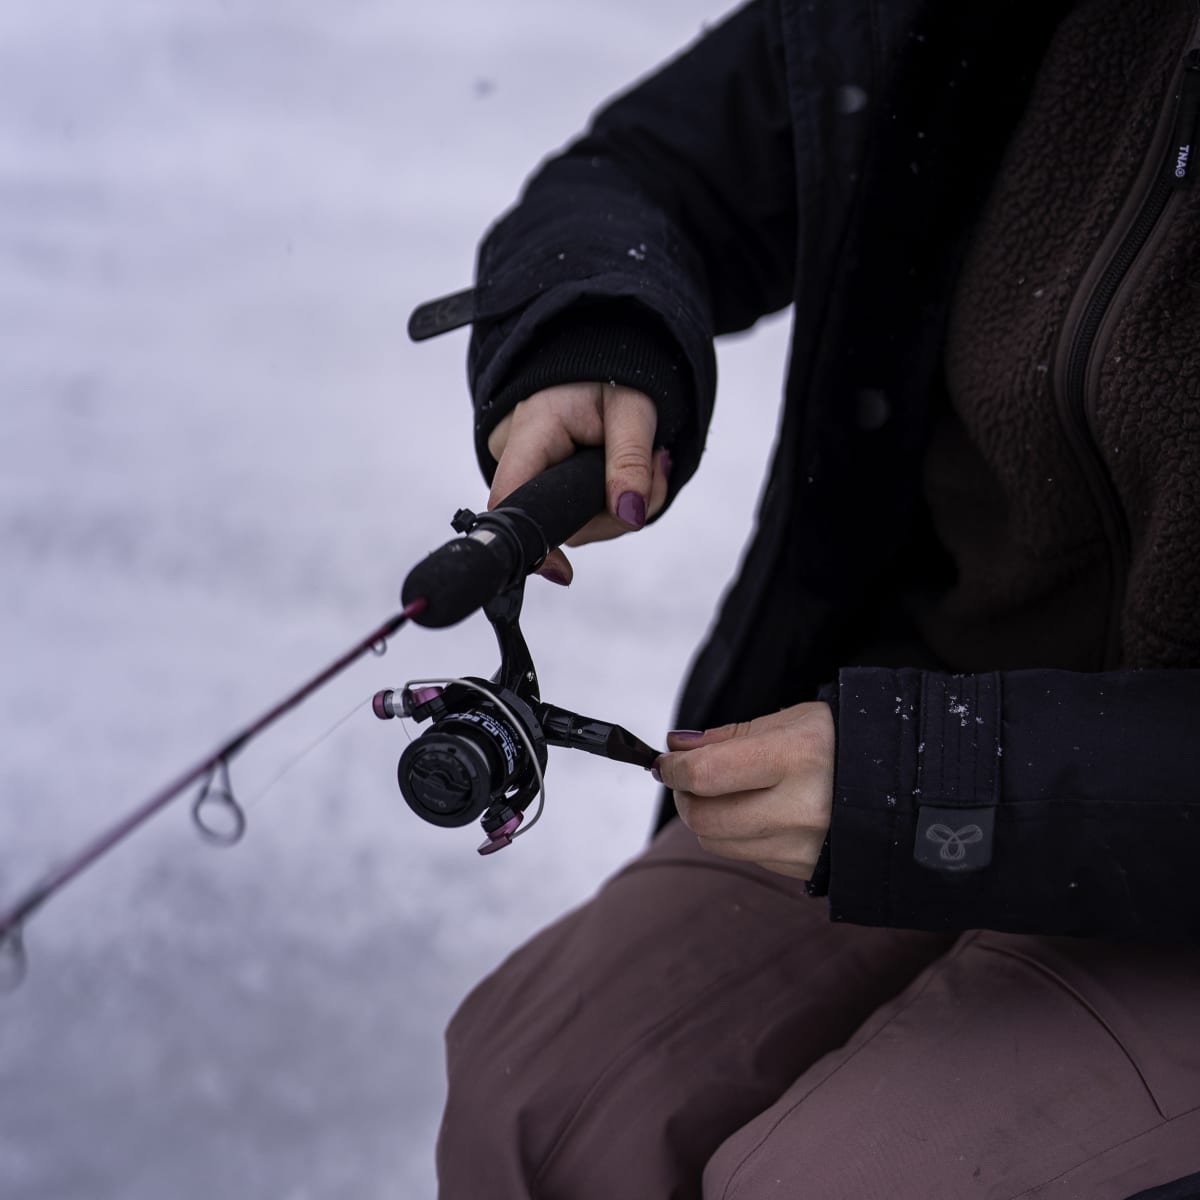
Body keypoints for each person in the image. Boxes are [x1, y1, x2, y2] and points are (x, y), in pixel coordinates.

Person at [410, 0, 1200, 1195]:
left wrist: (932, 783)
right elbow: (648, 171)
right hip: (925, 720)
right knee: (540, 1106)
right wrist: (597, 335)